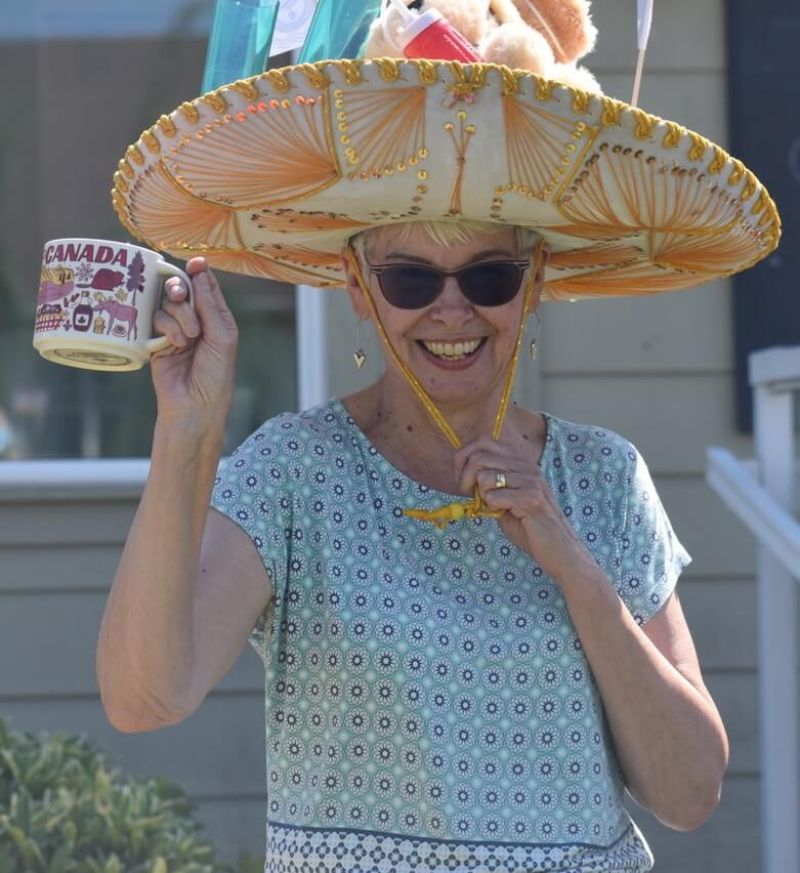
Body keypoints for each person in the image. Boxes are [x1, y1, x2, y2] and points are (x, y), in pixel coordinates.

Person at [99, 4, 779, 870]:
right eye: (410, 276)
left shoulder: (602, 476)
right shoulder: (296, 473)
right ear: (356, 284)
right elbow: (144, 696)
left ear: (531, 286)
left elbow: (689, 791)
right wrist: (189, 430)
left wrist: (569, 559)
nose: (452, 310)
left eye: (489, 274)